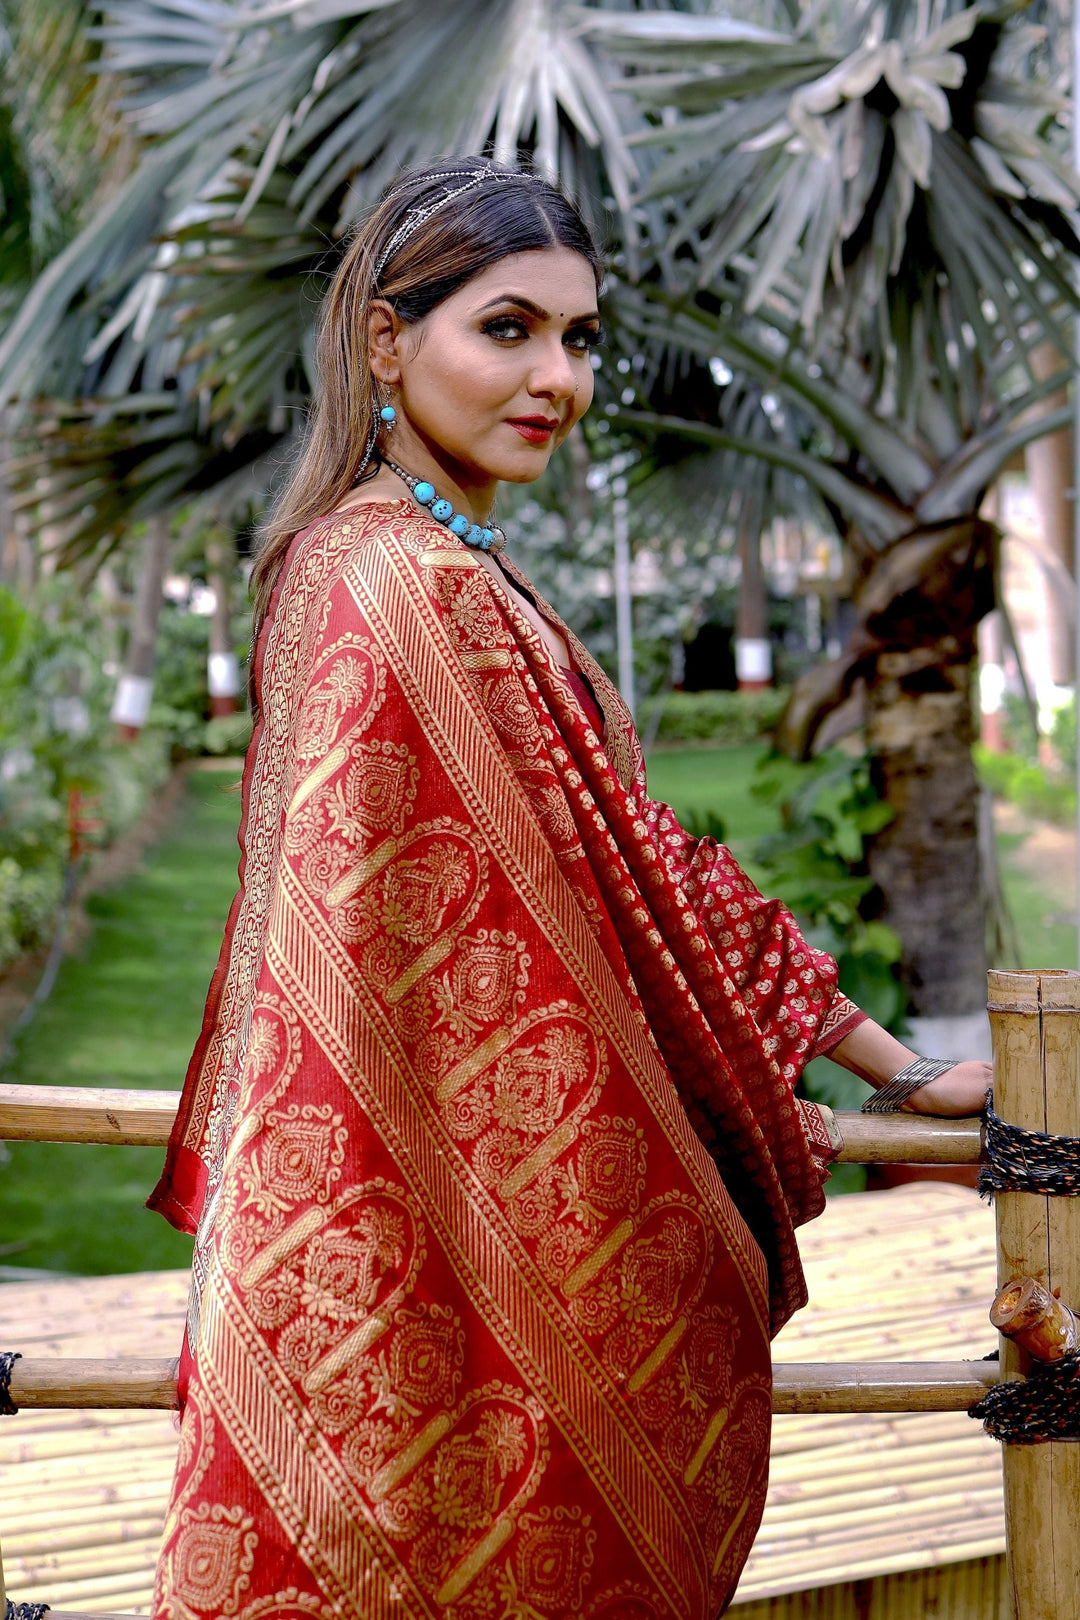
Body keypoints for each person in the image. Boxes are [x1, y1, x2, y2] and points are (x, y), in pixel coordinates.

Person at [148, 158, 990, 1620]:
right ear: (386, 341)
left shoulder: (404, 560)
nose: (558, 377)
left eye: (581, 340)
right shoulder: (403, 584)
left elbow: (642, 865)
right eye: (511, 329)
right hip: (413, 1204)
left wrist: (892, 1068)